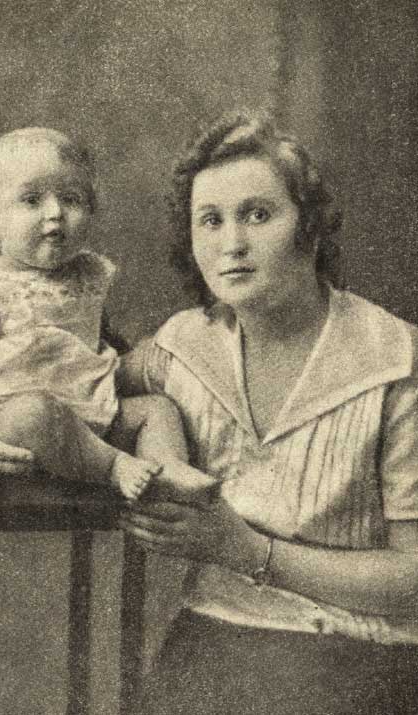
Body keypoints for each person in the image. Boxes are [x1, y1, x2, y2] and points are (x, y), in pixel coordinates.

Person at [113, 110, 418, 714]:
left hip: (358, 650)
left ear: (310, 228)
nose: (232, 244)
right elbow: (74, 389)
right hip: (212, 636)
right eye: (211, 220)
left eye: (257, 215)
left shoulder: (395, 361)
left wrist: (247, 551)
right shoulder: (181, 346)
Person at [0, 127, 216, 503]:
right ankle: (115, 467)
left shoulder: (87, 275)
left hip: (96, 410)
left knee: (157, 410)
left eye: (70, 199)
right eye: (31, 200)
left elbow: (101, 338)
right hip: (21, 421)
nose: (55, 213)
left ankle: (167, 469)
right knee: (32, 414)